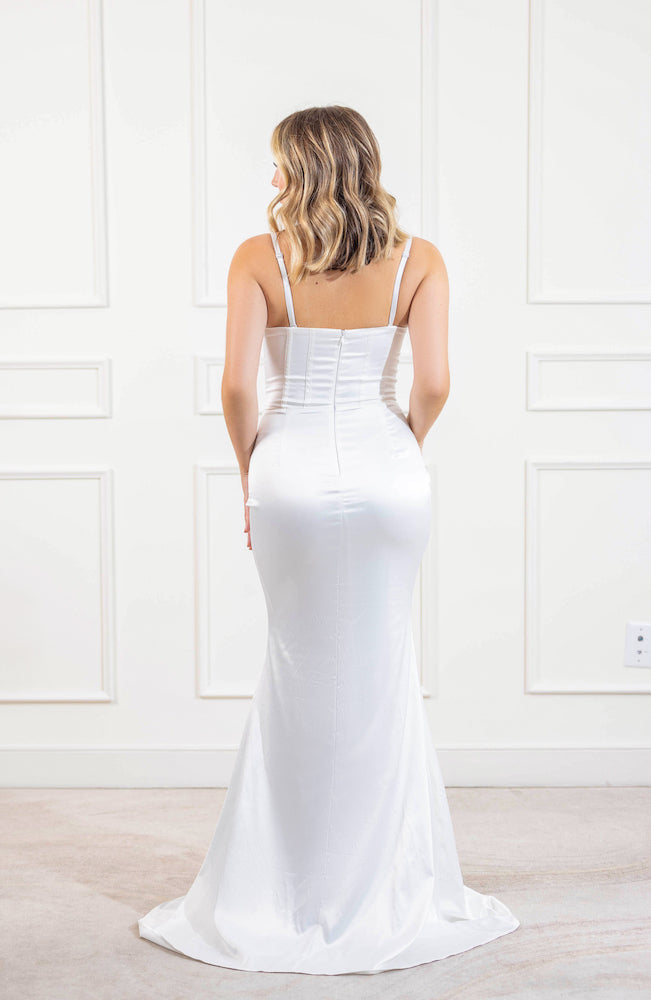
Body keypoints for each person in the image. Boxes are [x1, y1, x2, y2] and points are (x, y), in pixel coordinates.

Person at [138, 105, 520, 975]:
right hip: (390, 474)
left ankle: (282, 887)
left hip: (290, 472)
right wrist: (400, 445)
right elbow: (435, 382)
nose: (270, 178)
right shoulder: (419, 260)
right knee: (383, 668)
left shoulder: (258, 257)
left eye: (278, 163)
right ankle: (390, 886)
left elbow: (237, 389)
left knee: (296, 669)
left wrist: (251, 472)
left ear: (305, 169)